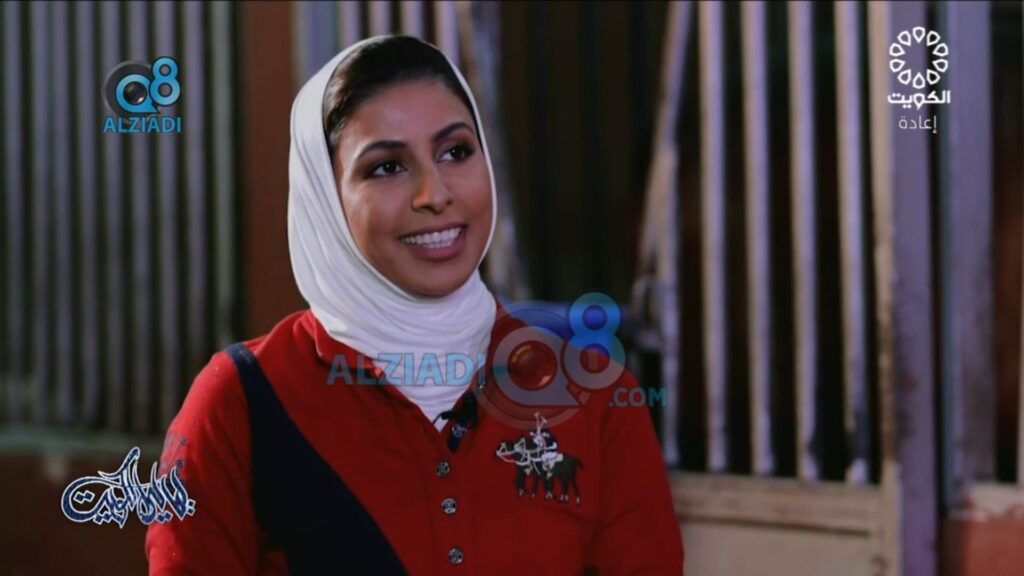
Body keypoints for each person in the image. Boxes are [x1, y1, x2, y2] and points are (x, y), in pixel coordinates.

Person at [145, 34, 683, 575]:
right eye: (386, 167)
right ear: (323, 200)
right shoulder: (241, 403)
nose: (435, 194)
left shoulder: (594, 396)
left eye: (456, 152)